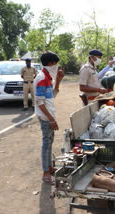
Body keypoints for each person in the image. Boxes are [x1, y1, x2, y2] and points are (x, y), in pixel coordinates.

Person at [33, 51, 64, 184]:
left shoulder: (47, 77)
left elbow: (51, 96)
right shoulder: (41, 78)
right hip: (46, 117)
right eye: (56, 63)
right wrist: (51, 120)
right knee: (46, 143)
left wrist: (58, 81)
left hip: (49, 115)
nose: (57, 66)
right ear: (50, 64)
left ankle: (49, 167)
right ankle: (46, 172)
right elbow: (39, 102)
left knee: (49, 142)